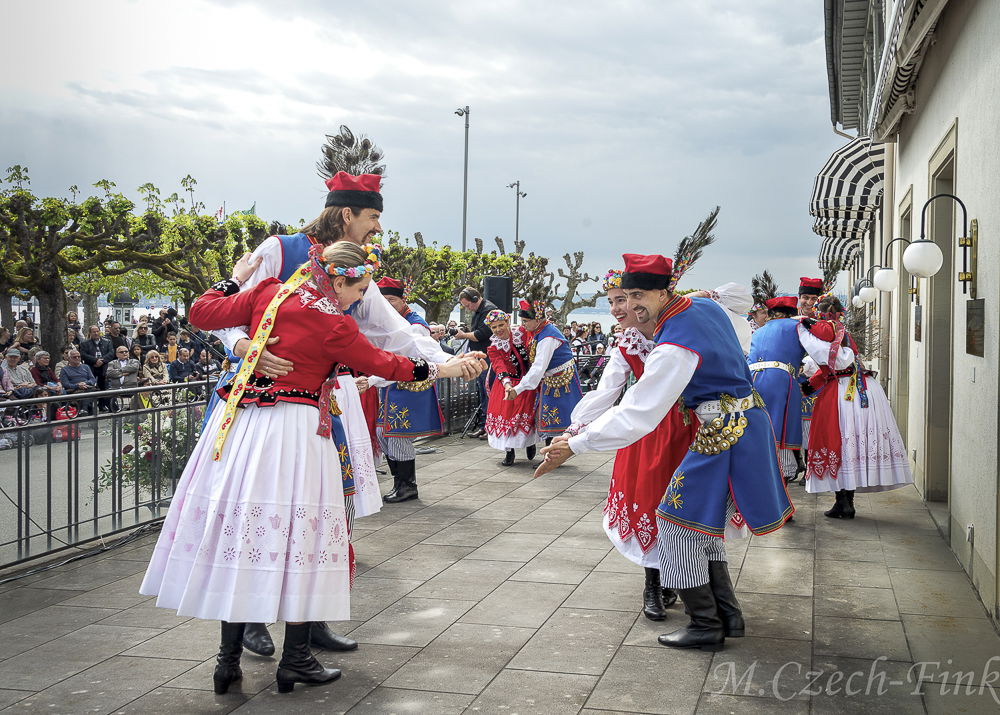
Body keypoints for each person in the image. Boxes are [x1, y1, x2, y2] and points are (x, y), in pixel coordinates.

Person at [140, 241, 472, 695]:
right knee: (302, 538)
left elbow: (202, 311)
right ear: (339, 280)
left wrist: (235, 277)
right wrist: (446, 371)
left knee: (243, 535)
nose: (359, 300)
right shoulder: (333, 322)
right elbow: (384, 363)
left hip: (241, 428)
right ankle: (295, 659)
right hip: (294, 433)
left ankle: (226, 663)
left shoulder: (268, 292)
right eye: (360, 290)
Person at [201, 171, 484, 658]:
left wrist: (444, 360)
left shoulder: (357, 268)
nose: (377, 228)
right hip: (262, 399)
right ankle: (248, 617)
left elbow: (392, 332)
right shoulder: (281, 249)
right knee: (260, 509)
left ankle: (309, 623)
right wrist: (243, 344)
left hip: (323, 403)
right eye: (373, 217)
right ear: (347, 214)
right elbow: (226, 311)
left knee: (325, 511)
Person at [537, 253, 792, 653]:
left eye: (640, 295)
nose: (633, 305)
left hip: (723, 430)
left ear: (664, 292)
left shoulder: (675, 342)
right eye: (627, 295)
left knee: (675, 524)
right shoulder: (701, 306)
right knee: (700, 524)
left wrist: (576, 443)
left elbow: (640, 409)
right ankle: (727, 615)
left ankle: (705, 625)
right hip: (734, 425)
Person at [801, 295, 913, 518]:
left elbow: (826, 369)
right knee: (851, 445)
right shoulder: (844, 335)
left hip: (844, 393)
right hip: (866, 391)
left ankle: (842, 501)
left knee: (839, 442)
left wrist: (808, 386)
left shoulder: (824, 338)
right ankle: (847, 502)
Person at [368, 276, 444, 503]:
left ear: (403, 300)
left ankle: (408, 485)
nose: (387, 305)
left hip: (409, 386)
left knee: (398, 435)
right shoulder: (388, 322)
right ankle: (398, 481)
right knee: (383, 434)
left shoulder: (415, 324)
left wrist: (372, 379)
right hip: (390, 386)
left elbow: (408, 358)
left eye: (391, 300)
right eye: (383, 300)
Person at [746, 295, 809, 483]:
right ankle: (782, 477)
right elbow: (816, 356)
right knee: (780, 428)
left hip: (752, 379)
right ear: (791, 314)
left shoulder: (758, 331)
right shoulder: (797, 327)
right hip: (779, 379)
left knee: (759, 428)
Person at [509, 299, 583, 440]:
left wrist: (518, 389)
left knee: (556, 418)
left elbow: (539, 367)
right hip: (551, 378)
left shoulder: (548, 337)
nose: (523, 325)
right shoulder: (539, 331)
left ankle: (553, 454)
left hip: (560, 379)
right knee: (549, 416)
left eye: (525, 321)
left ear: (537, 319)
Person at [484, 310, 539, 466]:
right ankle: (509, 452)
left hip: (527, 383)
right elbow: (499, 367)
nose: (498, 329)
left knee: (527, 414)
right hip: (506, 385)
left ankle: (530, 442)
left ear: (508, 323)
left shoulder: (522, 333)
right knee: (507, 416)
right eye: (494, 327)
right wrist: (507, 385)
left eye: (501, 325)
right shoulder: (493, 348)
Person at [454, 286, 498, 437]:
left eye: (468, 305)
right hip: (481, 357)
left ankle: (489, 427)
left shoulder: (488, 310)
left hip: (488, 358)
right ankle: (484, 425)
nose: (468, 308)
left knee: (488, 392)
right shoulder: (479, 310)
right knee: (482, 392)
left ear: (475, 299)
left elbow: (480, 335)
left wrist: (463, 335)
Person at [79, 325, 113, 408]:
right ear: (90, 333)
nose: (96, 333)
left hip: (104, 367)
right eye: (94, 332)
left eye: (97, 331)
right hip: (91, 367)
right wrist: (95, 360)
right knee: (91, 386)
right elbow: (83, 354)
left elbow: (111, 353)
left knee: (103, 386)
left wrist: (102, 361)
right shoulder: (84, 343)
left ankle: (102, 405)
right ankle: (89, 407)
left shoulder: (107, 342)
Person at [59, 349, 97, 414]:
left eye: (79, 356)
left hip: (87, 387)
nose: (77, 358)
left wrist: (85, 383)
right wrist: (78, 385)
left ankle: (84, 409)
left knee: (92, 391)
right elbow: (65, 384)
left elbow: (93, 379)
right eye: (74, 357)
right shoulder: (64, 370)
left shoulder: (86, 367)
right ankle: (84, 409)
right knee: (88, 393)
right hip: (74, 390)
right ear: (69, 358)